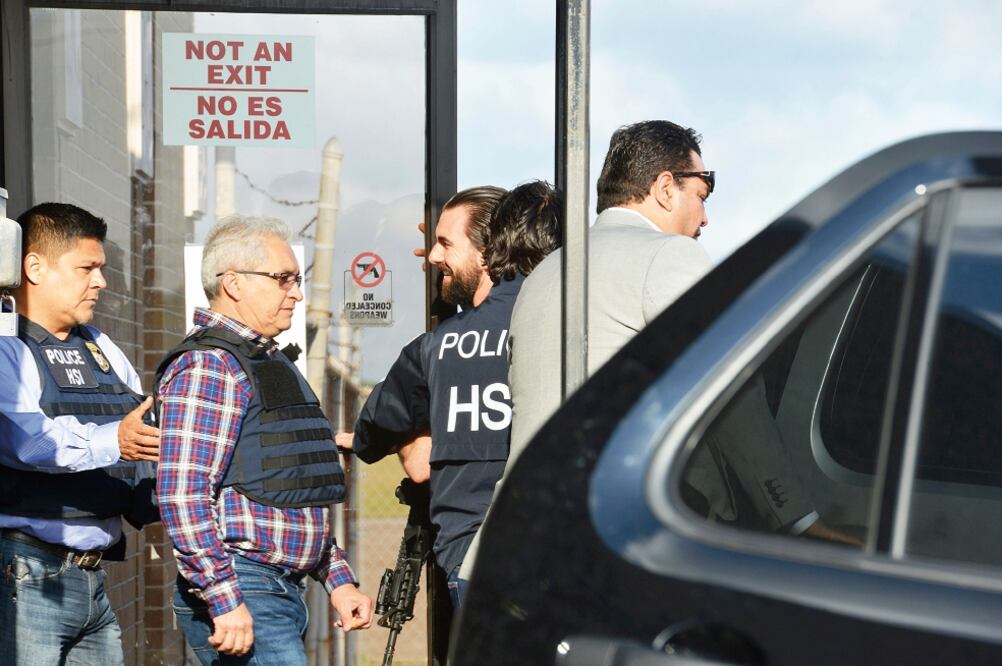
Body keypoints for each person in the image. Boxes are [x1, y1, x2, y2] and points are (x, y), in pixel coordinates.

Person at [500, 121, 852, 548]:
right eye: (700, 197)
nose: (704, 218)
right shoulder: (669, 255)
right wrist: (797, 518)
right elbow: (731, 391)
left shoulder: (547, 271)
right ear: (666, 188)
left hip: (511, 538)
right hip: (602, 545)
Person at [156, 216, 372, 665]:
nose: (297, 292)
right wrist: (223, 597)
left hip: (276, 589)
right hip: (245, 587)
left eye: (298, 280)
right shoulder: (210, 366)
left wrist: (338, 579)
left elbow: (287, 489)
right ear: (232, 282)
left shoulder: (266, 363)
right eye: (283, 279)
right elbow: (182, 494)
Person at [340, 182, 562, 608]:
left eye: (444, 243)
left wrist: (397, 434)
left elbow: (377, 428)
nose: (433, 257)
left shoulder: (439, 345)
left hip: (473, 560)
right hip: (555, 554)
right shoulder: (566, 326)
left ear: (487, 250)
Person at [0, 202, 160, 666]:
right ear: (33, 267)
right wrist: (115, 441)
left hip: (93, 579)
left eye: (102, 268)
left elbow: (142, 421)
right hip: (27, 576)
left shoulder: (99, 346)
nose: (101, 282)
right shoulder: (9, 346)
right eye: (87, 267)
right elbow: (25, 440)